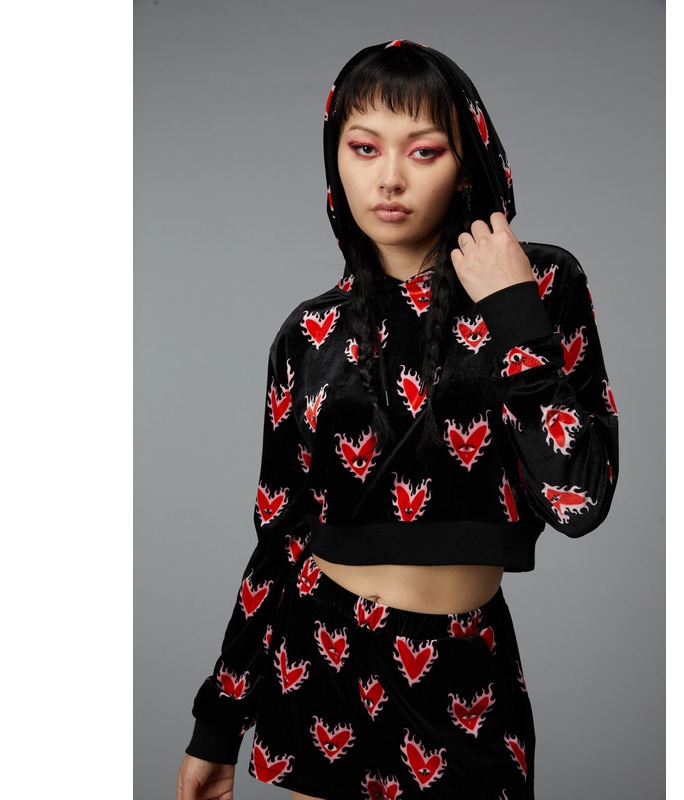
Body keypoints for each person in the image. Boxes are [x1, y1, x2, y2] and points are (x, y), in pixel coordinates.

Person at [176, 39, 618, 800]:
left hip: (466, 677)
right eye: (363, 147)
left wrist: (514, 313)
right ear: (335, 159)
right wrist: (218, 725)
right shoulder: (307, 335)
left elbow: (579, 499)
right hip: (321, 668)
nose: (389, 178)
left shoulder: (540, 284)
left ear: (467, 165)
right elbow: (280, 537)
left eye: (423, 151)